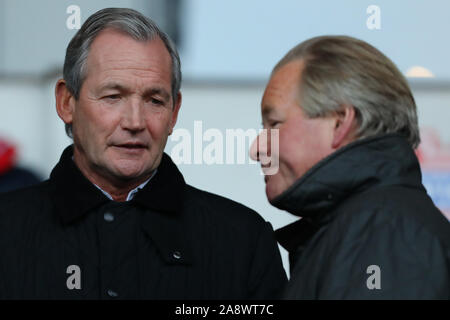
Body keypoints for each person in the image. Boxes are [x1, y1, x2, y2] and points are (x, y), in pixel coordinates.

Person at [0, 8, 286, 299]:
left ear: (174, 112)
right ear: (66, 103)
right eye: (113, 97)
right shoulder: (7, 229)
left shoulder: (242, 241)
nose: (135, 122)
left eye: (154, 100)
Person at [250, 35, 450, 299]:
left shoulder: (382, 231)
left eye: (274, 124)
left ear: (340, 122)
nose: (257, 149)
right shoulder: (374, 225)